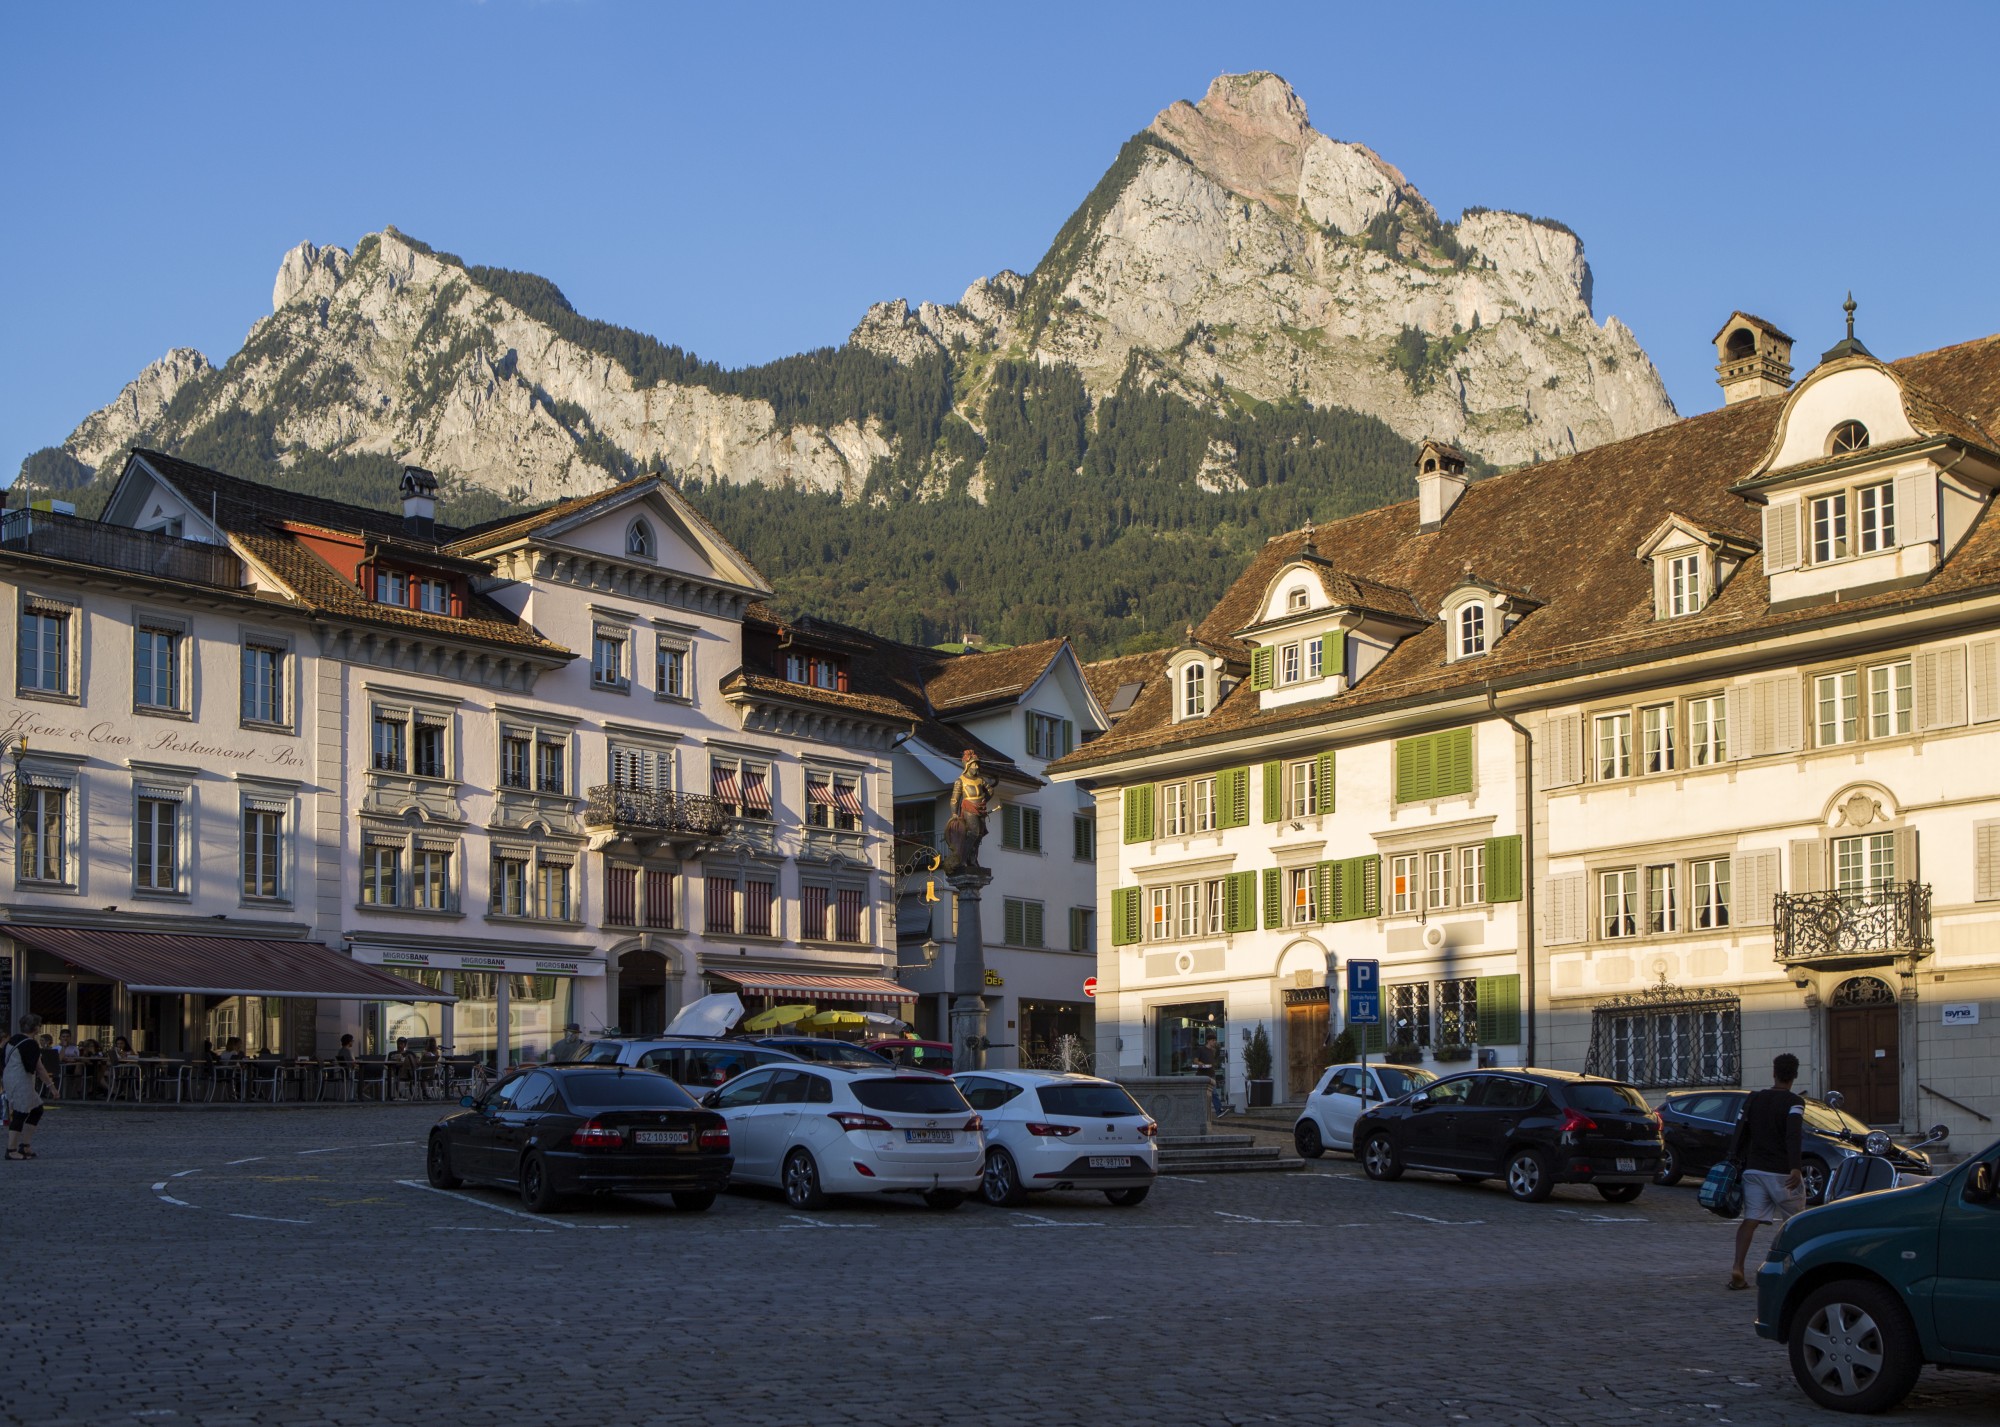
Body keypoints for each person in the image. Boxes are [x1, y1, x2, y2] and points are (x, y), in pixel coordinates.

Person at [1728, 1052, 1807, 1290]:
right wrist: (1795, 1166)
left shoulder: (1754, 1098)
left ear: (1773, 1072)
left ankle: (1738, 1267)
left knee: (1750, 1220)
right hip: (1782, 1172)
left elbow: (1742, 1130)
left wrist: (1735, 1161)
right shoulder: (1795, 1102)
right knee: (1795, 1222)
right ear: (1794, 1075)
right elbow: (1792, 1134)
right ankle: (1794, 1270)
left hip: (1754, 1170)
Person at [5, 1014, 59, 1161]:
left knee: (36, 1109)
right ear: (35, 1027)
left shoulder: (14, 1039)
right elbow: (39, 1068)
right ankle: (11, 1150)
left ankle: (25, 1145)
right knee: (20, 1113)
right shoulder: (30, 1044)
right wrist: (52, 1087)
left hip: (12, 1078)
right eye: (39, 1025)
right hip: (20, 1080)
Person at [1192, 1033, 1227, 1118]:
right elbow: (1195, 1060)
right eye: (1213, 1040)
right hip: (1202, 1075)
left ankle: (1219, 1111)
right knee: (1203, 1095)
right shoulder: (1201, 1050)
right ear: (1208, 1041)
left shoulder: (1213, 1051)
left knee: (1214, 1093)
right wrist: (1201, 1063)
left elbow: (1212, 1061)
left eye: (1215, 1040)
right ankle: (1200, 1112)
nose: (1214, 1042)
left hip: (1211, 1074)